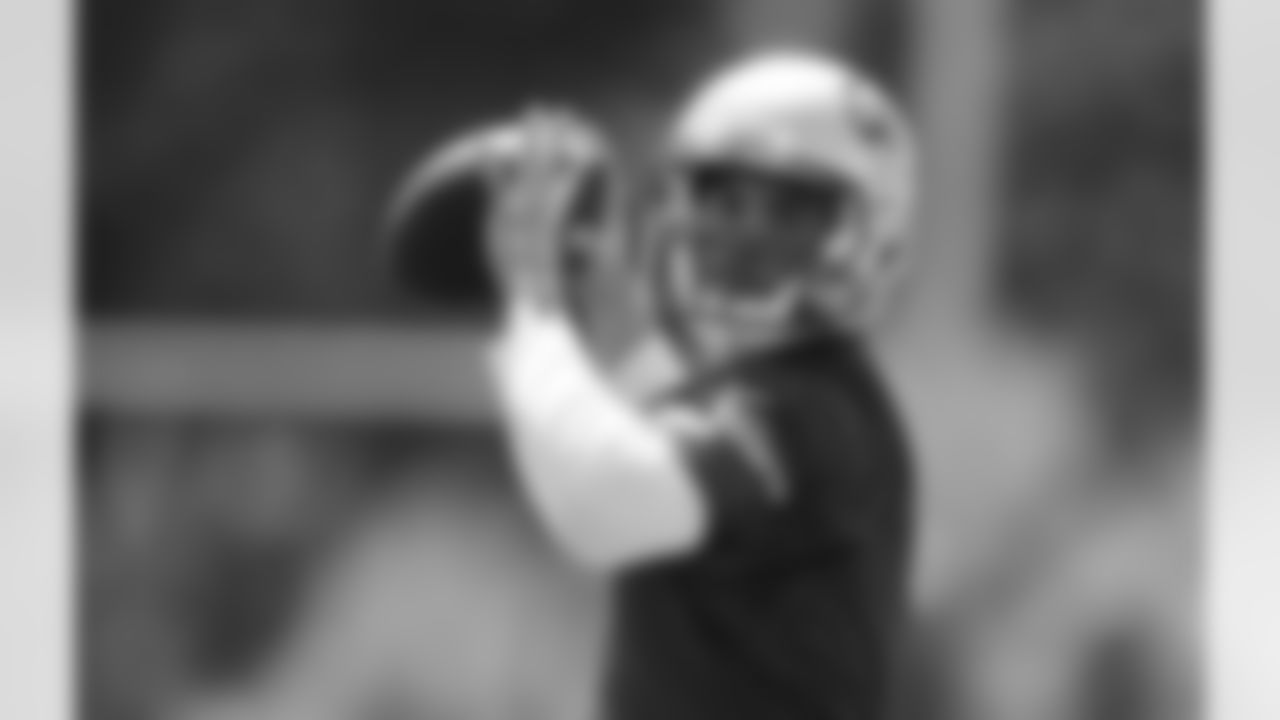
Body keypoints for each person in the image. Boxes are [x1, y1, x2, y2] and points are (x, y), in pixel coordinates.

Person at [386, 48, 918, 720]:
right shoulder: (786, 395)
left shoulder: (809, 409)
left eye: (795, 212)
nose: (748, 236)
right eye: (725, 199)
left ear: (872, 234)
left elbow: (607, 501)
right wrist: (600, 312)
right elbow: (654, 435)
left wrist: (533, 307)